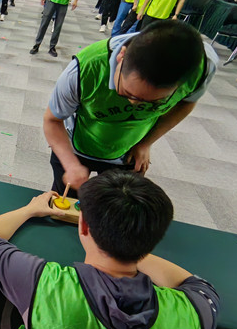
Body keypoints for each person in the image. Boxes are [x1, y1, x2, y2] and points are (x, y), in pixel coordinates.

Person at [0, 170, 219, 329]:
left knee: (9, 304)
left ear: (84, 225)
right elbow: (190, 281)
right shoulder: (198, 309)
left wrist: (30, 209)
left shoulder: (44, 283)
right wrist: (133, 243)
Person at [43, 20, 218, 198]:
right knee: (63, 206)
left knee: (112, 209)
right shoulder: (86, 69)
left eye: (154, 102)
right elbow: (52, 120)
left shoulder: (202, 69)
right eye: (128, 93)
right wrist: (71, 165)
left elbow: (187, 103)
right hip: (77, 146)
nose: (135, 104)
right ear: (121, 57)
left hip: (128, 153)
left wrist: (145, 143)